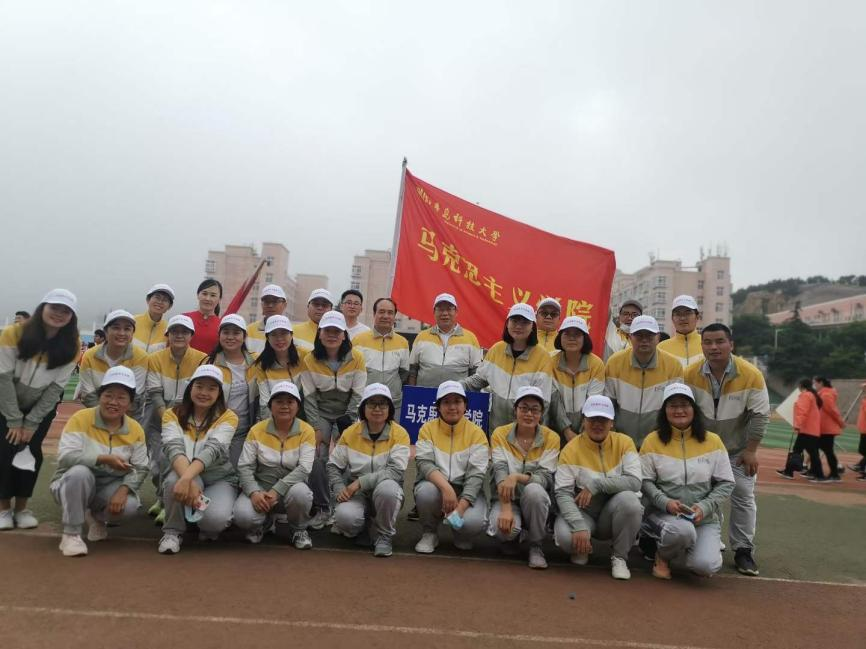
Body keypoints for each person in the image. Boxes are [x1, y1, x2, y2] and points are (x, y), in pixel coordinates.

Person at [684, 323, 769, 576]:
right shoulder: (690, 374)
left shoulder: (751, 374)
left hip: (737, 450)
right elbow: (684, 410)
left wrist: (751, 451)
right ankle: (709, 540)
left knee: (742, 495)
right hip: (703, 450)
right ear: (702, 346)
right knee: (703, 494)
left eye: (719, 341)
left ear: (731, 344)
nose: (713, 347)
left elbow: (760, 415)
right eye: (707, 342)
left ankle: (743, 549)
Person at [0, 289, 80, 531]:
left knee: (30, 453)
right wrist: (14, 420)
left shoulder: (72, 345)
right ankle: (3, 509)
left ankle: (22, 508)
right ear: (42, 307)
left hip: (39, 407)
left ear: (72, 316)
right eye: (54, 307)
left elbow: (56, 388)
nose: (59, 314)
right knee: (4, 451)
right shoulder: (13, 333)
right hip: (5, 402)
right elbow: (3, 377)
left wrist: (32, 422)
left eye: (66, 310)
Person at [49, 367, 148, 556]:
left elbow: (141, 467)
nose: (113, 402)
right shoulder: (81, 418)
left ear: (130, 403)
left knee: (129, 506)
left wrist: (123, 490)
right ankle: (71, 534)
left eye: (121, 397)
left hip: (107, 485)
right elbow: (66, 456)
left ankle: (96, 518)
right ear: (99, 396)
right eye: (108, 395)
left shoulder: (135, 429)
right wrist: (103, 458)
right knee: (80, 473)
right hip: (69, 482)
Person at [640, 383, 735, 579]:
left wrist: (704, 507)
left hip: (703, 518)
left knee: (705, 566)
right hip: (664, 514)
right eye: (673, 405)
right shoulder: (652, 440)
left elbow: (726, 482)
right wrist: (665, 503)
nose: (679, 410)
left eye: (684, 404)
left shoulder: (713, 441)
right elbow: (645, 481)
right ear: (664, 411)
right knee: (682, 531)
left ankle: (687, 545)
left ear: (694, 409)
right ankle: (663, 555)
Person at [554, 395, 643, 580]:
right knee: (566, 537)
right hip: (583, 512)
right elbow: (562, 493)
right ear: (584, 420)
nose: (597, 424)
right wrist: (578, 526)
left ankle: (619, 557)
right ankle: (582, 546)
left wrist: (597, 484)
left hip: (612, 512)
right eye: (592, 419)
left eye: (603, 419)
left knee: (630, 501)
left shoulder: (625, 443)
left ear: (612, 422)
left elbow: (635, 481)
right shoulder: (570, 449)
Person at [158, 364, 239, 554]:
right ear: (190, 388)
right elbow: (173, 448)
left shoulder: (229, 417)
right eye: (199, 386)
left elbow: (213, 450)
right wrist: (189, 479)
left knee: (214, 523)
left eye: (212, 388)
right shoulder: (172, 414)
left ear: (219, 393)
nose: (204, 392)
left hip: (218, 479)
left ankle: (196, 518)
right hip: (183, 472)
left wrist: (187, 479)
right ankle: (172, 532)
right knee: (173, 481)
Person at [300, 310, 366, 530]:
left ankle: (342, 503)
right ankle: (322, 506)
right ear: (319, 334)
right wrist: (316, 427)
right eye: (327, 330)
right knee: (317, 455)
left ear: (344, 335)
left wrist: (342, 429)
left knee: (344, 456)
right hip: (320, 412)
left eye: (337, 331)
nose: (332, 335)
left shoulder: (357, 358)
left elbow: (357, 395)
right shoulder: (310, 359)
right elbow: (309, 397)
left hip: (348, 413)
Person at [328, 383, 411, 557]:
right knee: (345, 519)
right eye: (372, 404)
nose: (377, 409)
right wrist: (339, 488)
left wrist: (360, 482)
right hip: (356, 493)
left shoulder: (400, 433)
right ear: (363, 408)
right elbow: (333, 465)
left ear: (390, 409)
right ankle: (363, 525)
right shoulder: (350, 432)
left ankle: (384, 535)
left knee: (388, 489)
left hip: (385, 491)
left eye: (383, 404)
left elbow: (395, 471)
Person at [233, 381, 315, 550]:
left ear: (298, 406)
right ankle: (263, 523)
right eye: (279, 401)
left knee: (301, 494)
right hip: (261, 487)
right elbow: (245, 466)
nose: (284, 406)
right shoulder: (256, 430)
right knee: (243, 516)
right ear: (270, 406)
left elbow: (304, 468)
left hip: (291, 488)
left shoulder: (307, 431)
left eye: (290, 402)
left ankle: (298, 529)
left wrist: (277, 491)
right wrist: (254, 492)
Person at [144, 314, 207, 521]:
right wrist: (168, 420)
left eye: (184, 332)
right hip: (158, 420)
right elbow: (155, 393)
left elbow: (199, 393)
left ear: (191, 336)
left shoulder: (202, 359)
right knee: (156, 465)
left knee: (172, 462)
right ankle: (161, 497)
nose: (179, 335)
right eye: (175, 331)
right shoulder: (155, 359)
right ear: (168, 335)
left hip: (188, 422)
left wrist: (180, 421)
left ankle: (168, 503)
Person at [488, 386, 559, 569]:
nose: (529, 414)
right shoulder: (500, 434)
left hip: (534, 500)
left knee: (535, 491)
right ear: (515, 410)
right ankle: (512, 537)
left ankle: (536, 546)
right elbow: (500, 470)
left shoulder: (552, 438)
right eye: (524, 408)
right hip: (507, 498)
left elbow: (545, 478)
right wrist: (505, 508)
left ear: (541, 413)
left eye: (535, 409)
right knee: (505, 530)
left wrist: (517, 477)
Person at [414, 381, 489, 553]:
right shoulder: (427, 429)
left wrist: (461, 507)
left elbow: (476, 475)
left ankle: (461, 533)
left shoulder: (477, 433)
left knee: (473, 523)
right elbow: (424, 463)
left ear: (465, 406)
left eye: (457, 401)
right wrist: (446, 489)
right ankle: (429, 533)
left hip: (465, 491)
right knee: (425, 492)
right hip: (437, 488)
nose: (452, 407)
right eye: (446, 402)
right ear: (438, 407)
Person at [462, 303, 552, 431]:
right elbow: (478, 380)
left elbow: (544, 402)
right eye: (514, 321)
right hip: (495, 429)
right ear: (507, 323)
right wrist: (455, 386)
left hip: (526, 432)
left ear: (533, 326)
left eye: (525, 322)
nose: (518, 326)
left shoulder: (542, 357)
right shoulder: (496, 349)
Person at [604, 315, 683, 448]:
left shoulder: (673, 365)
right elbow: (609, 403)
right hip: (620, 442)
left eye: (649, 336)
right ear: (630, 337)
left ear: (658, 337)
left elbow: (676, 407)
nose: (644, 340)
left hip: (659, 443)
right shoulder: (614, 363)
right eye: (639, 336)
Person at [77, 310, 148, 418]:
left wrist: (117, 421)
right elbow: (88, 394)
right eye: (116, 328)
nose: (122, 333)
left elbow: (136, 396)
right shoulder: (89, 356)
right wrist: (106, 418)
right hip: (96, 417)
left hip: (129, 418)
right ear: (106, 332)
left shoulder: (141, 357)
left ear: (133, 333)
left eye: (127, 329)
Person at [207, 314, 257, 467]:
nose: (230, 337)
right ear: (219, 335)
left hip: (245, 431)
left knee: (238, 470)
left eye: (236, 333)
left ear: (244, 336)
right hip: (216, 429)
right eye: (226, 332)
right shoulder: (209, 363)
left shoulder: (256, 362)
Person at [548, 316, 606, 446]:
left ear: (585, 338)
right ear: (560, 337)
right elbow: (554, 401)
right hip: (555, 431)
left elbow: (593, 401)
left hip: (587, 432)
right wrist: (567, 431)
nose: (571, 338)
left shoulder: (596, 364)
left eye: (577, 334)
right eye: (567, 334)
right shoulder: (550, 361)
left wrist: (584, 431)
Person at [408, 293, 482, 387]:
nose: (445, 313)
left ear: (456, 312)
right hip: (425, 395)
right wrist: (412, 392)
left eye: (449, 309)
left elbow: (476, 373)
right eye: (440, 309)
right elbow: (412, 370)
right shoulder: (421, 337)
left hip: (456, 395)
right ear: (434, 312)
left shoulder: (471, 338)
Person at [351, 298, 410, 413]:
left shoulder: (403, 342)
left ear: (394, 316)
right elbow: (352, 372)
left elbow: (403, 374)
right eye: (381, 312)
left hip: (393, 403)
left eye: (390, 313)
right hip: (365, 402)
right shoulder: (358, 340)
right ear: (374, 314)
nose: (386, 316)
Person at [249, 315, 305, 422]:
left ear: (291, 335)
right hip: (273, 417)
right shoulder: (262, 364)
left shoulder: (304, 356)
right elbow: (265, 401)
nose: (279, 339)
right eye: (273, 334)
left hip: (301, 416)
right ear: (267, 338)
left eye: (284, 333)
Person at [776, 379, 825, 481]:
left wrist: (798, 425)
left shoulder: (806, 395)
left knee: (809, 452)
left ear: (801, 385)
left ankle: (818, 475)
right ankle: (788, 471)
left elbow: (802, 411)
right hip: (810, 429)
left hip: (807, 429)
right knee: (799, 450)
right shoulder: (811, 395)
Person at [658, 295, 704, 368]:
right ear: (672, 319)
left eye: (687, 313)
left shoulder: (708, 345)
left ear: (697, 316)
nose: (682, 318)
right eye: (678, 314)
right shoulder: (661, 348)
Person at [813, 377, 844, 483]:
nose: (814, 385)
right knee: (824, 450)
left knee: (826, 451)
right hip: (824, 427)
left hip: (827, 428)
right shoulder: (824, 394)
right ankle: (831, 473)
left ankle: (834, 474)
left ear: (821, 383)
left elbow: (832, 411)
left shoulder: (826, 395)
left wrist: (840, 422)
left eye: (816, 383)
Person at [246, 284, 288, 355]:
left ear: (285, 305)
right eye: (266, 302)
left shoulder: (293, 332)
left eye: (275, 301)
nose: (270, 305)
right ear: (261, 304)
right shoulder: (249, 331)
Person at [133, 284, 175, 353]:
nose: (160, 302)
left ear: (169, 306)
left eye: (165, 300)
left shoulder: (169, 330)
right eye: (157, 297)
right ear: (148, 300)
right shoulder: (132, 322)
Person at [184, 279, 223, 354]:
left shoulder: (222, 325)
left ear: (219, 299)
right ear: (198, 295)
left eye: (213, 295)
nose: (208, 298)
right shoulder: (184, 319)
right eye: (204, 294)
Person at [293, 288, 334, 354]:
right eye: (316, 304)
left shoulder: (339, 335)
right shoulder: (292, 331)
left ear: (331, 309)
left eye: (324, 305)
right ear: (308, 306)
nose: (320, 308)